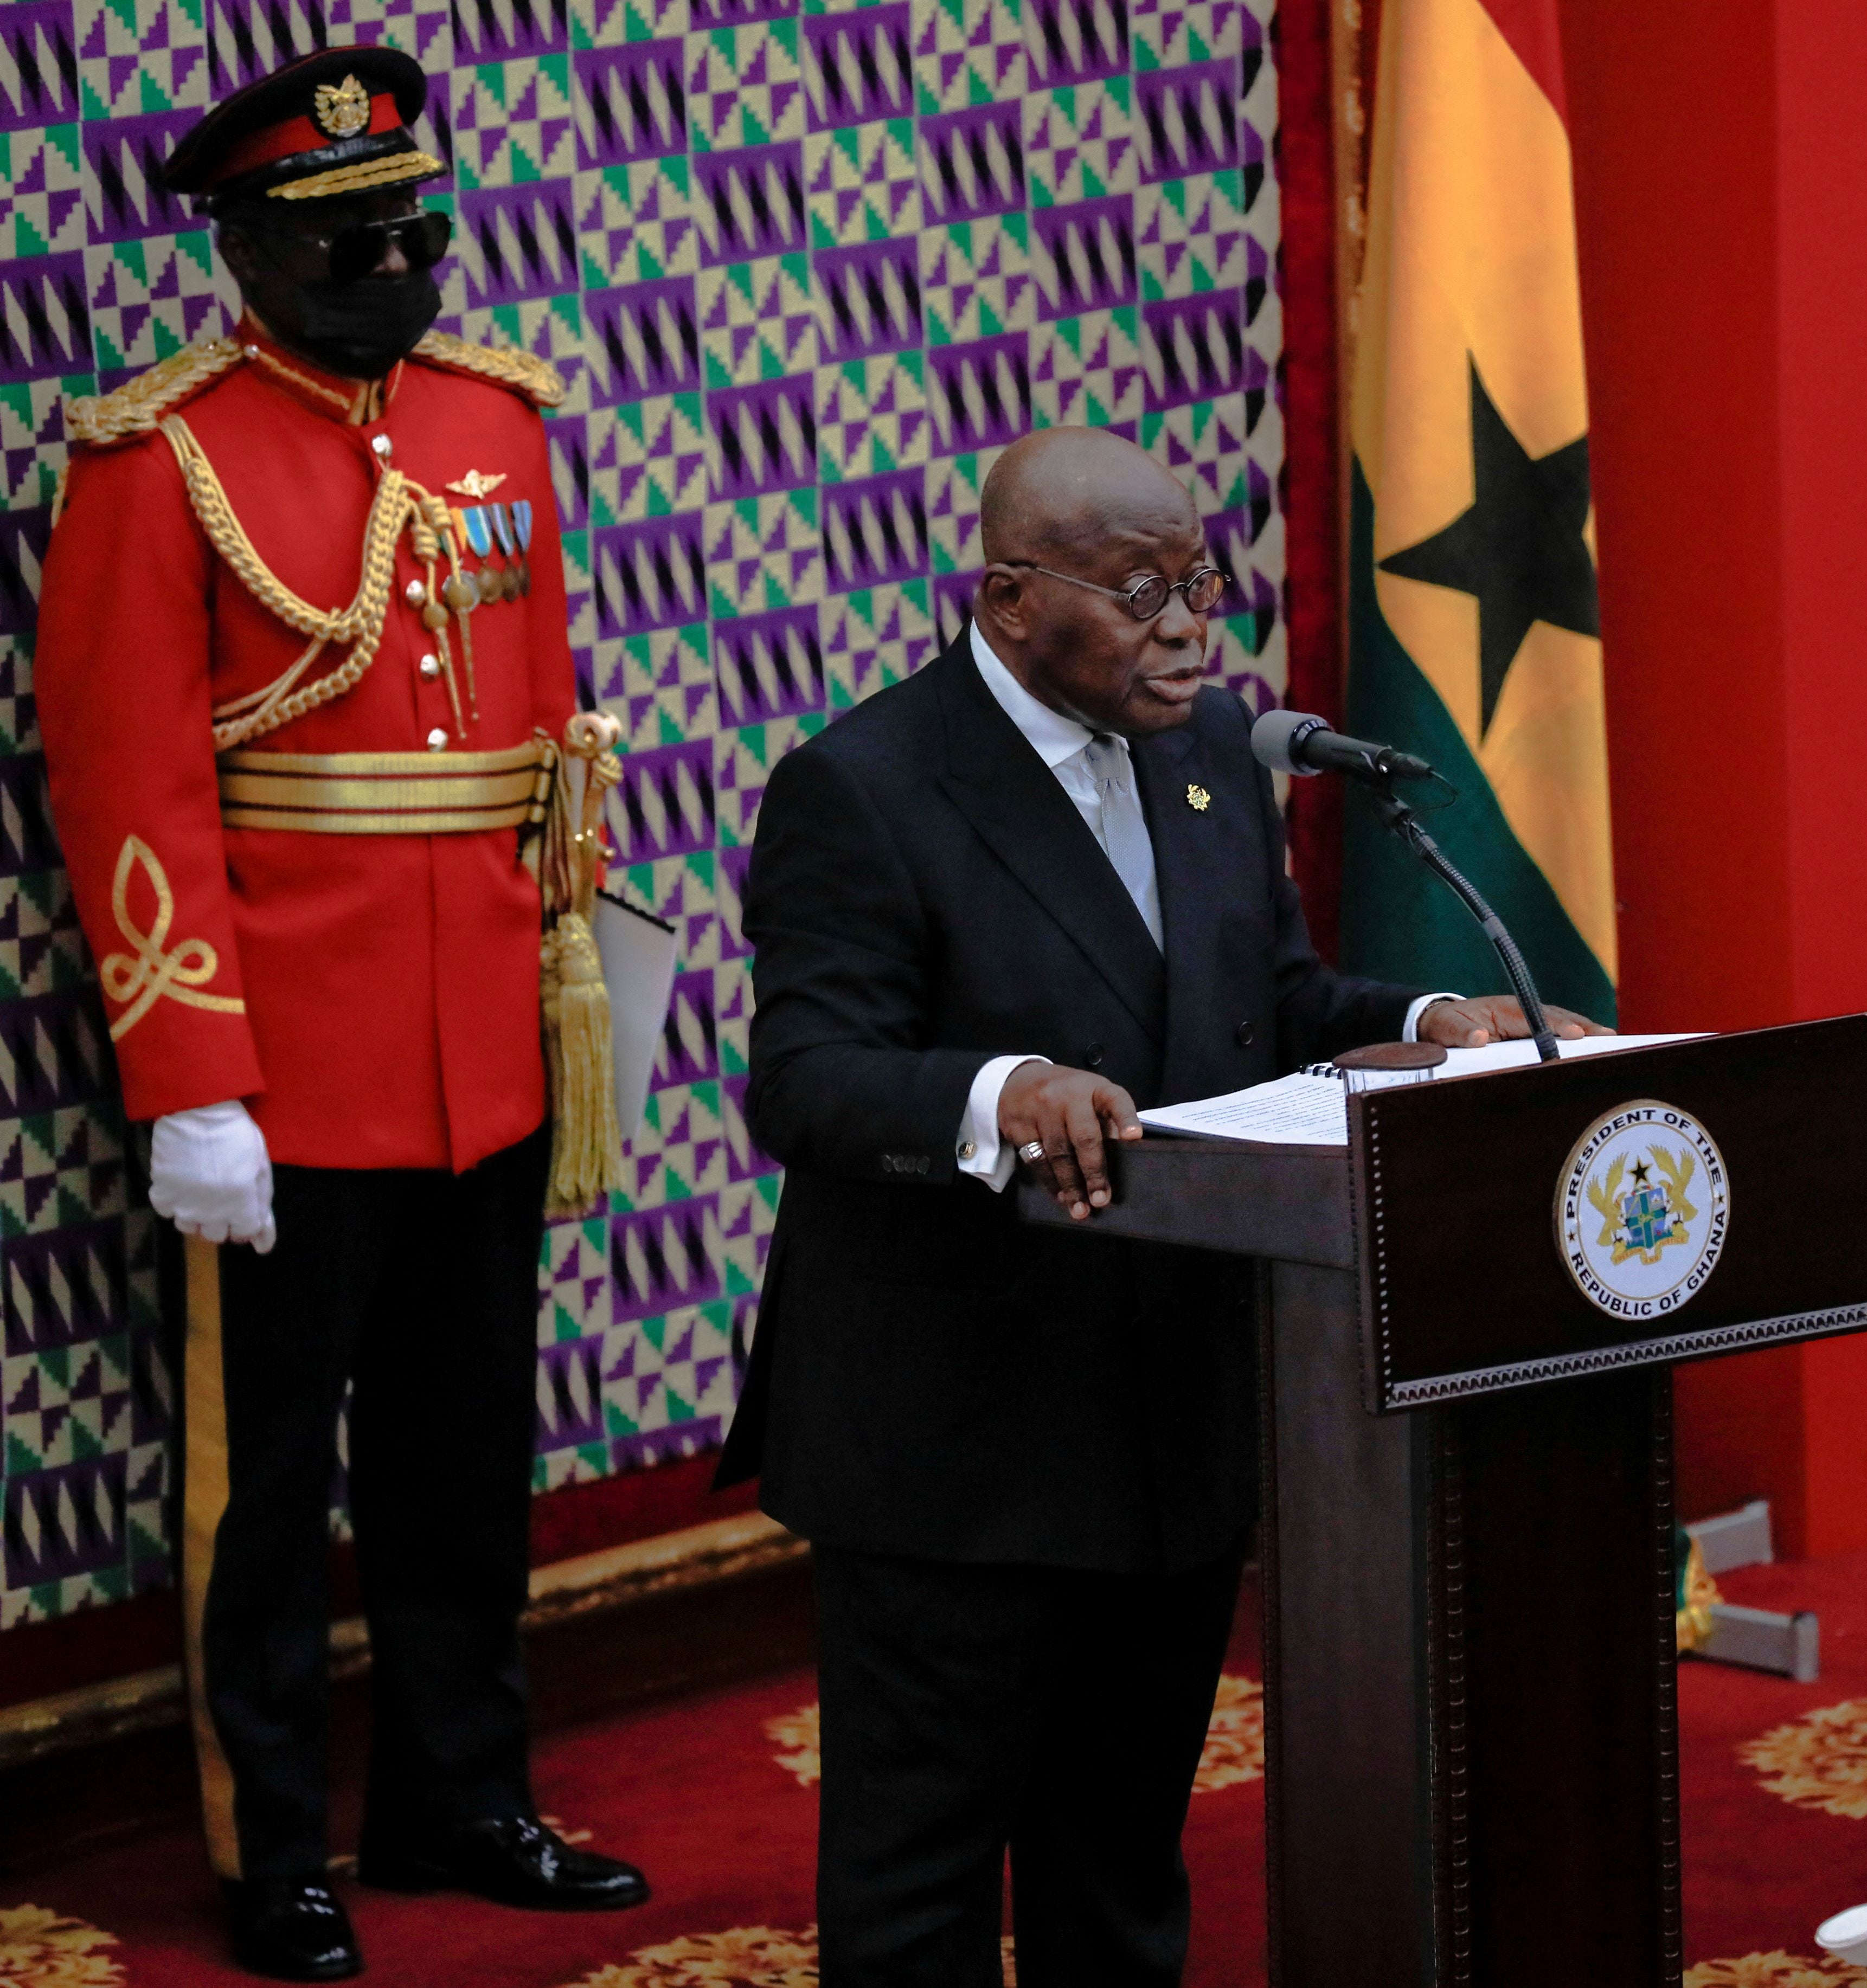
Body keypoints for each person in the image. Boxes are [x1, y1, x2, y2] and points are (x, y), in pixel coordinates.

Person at [722, 424, 1601, 1987]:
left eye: (1199, 581)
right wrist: (1003, 1088)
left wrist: (1429, 1018)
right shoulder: (862, 786)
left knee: (1118, 1859)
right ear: (1008, 601)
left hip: (1168, 1417)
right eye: (1140, 594)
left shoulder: (1206, 758)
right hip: (954, 1451)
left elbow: (1265, 999)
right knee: (919, 1886)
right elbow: (805, 1076)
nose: (1193, 628)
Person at [31, 44, 649, 1983]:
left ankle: (462, 1791)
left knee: (469, 1453)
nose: (396, 266)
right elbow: (130, 786)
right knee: (269, 1479)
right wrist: (191, 1076)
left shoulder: (497, 423)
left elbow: (546, 743)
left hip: (488, 1034)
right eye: (348, 241)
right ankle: (271, 1834)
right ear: (247, 249)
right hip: (281, 1059)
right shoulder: (162, 458)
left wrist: (572, 997)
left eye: (415, 231)